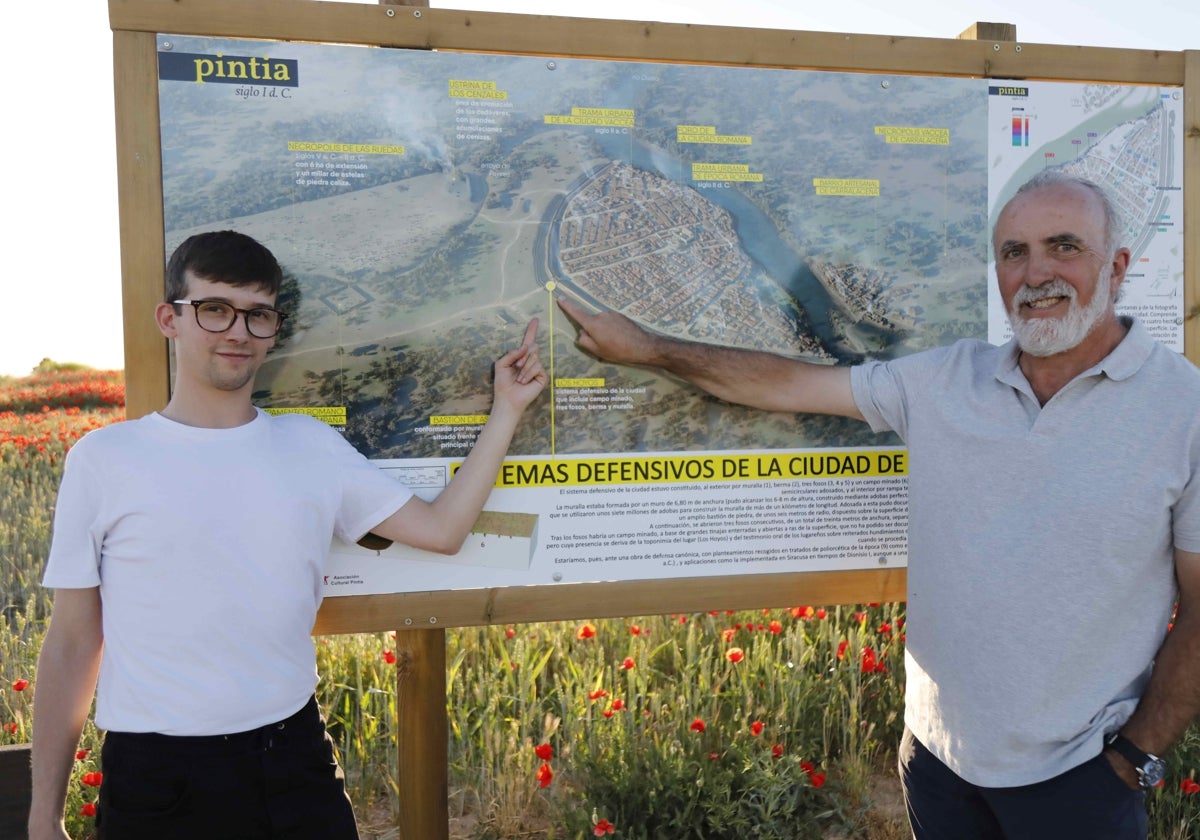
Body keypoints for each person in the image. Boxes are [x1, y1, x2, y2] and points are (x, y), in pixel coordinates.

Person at [557, 170, 1200, 839]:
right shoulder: (947, 381)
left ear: (1117, 266)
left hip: (1081, 783)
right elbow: (788, 384)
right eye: (1014, 252)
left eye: (1063, 246)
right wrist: (650, 348)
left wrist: (1136, 756)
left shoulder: (1183, 409)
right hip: (937, 765)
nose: (1036, 273)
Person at [28, 230, 547, 840]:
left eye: (257, 315)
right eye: (214, 309)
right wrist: (46, 814)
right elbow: (70, 643)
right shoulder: (105, 459)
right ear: (171, 318)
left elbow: (442, 529)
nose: (237, 332)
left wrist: (507, 409)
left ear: (274, 328)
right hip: (159, 777)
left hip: (295, 761)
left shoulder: (308, 444)